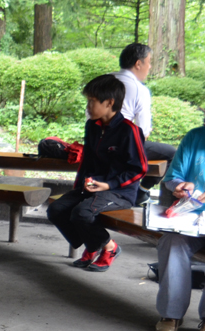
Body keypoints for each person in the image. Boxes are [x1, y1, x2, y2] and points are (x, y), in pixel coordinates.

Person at [47, 74, 147, 272]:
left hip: (120, 192)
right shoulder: (92, 126)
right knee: (56, 209)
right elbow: (87, 160)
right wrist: (81, 185)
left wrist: (109, 185)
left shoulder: (129, 131)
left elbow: (140, 169)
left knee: (81, 213)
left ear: (109, 103)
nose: (88, 106)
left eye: (92, 101)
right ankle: (94, 245)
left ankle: (109, 247)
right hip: (94, 187)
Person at [154, 87, 205, 331]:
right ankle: (171, 314)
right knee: (172, 242)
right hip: (190, 216)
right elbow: (173, 177)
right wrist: (179, 186)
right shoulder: (194, 137)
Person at [114, 43, 177, 204]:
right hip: (119, 148)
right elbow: (142, 132)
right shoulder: (139, 89)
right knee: (173, 153)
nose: (149, 68)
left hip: (94, 144)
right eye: (149, 63)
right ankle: (142, 192)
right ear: (138, 63)